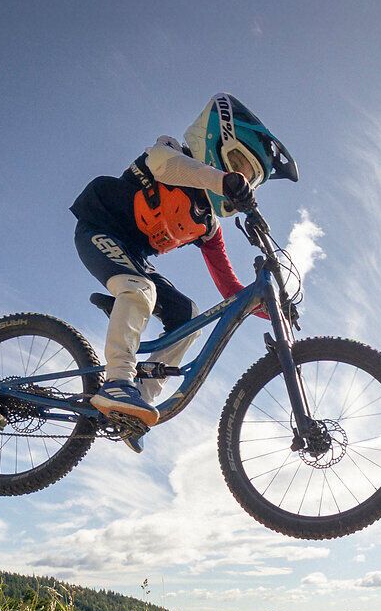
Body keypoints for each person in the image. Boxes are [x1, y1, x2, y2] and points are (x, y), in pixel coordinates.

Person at [70, 94, 297, 428]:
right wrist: (224, 181)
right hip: (98, 228)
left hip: (133, 258)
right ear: (217, 142)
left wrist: (274, 309)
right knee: (139, 289)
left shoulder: (207, 226)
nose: (242, 179)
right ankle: (118, 381)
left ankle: (136, 404)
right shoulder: (168, 152)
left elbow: (230, 289)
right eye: (240, 166)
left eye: (251, 178)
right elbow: (167, 167)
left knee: (188, 316)